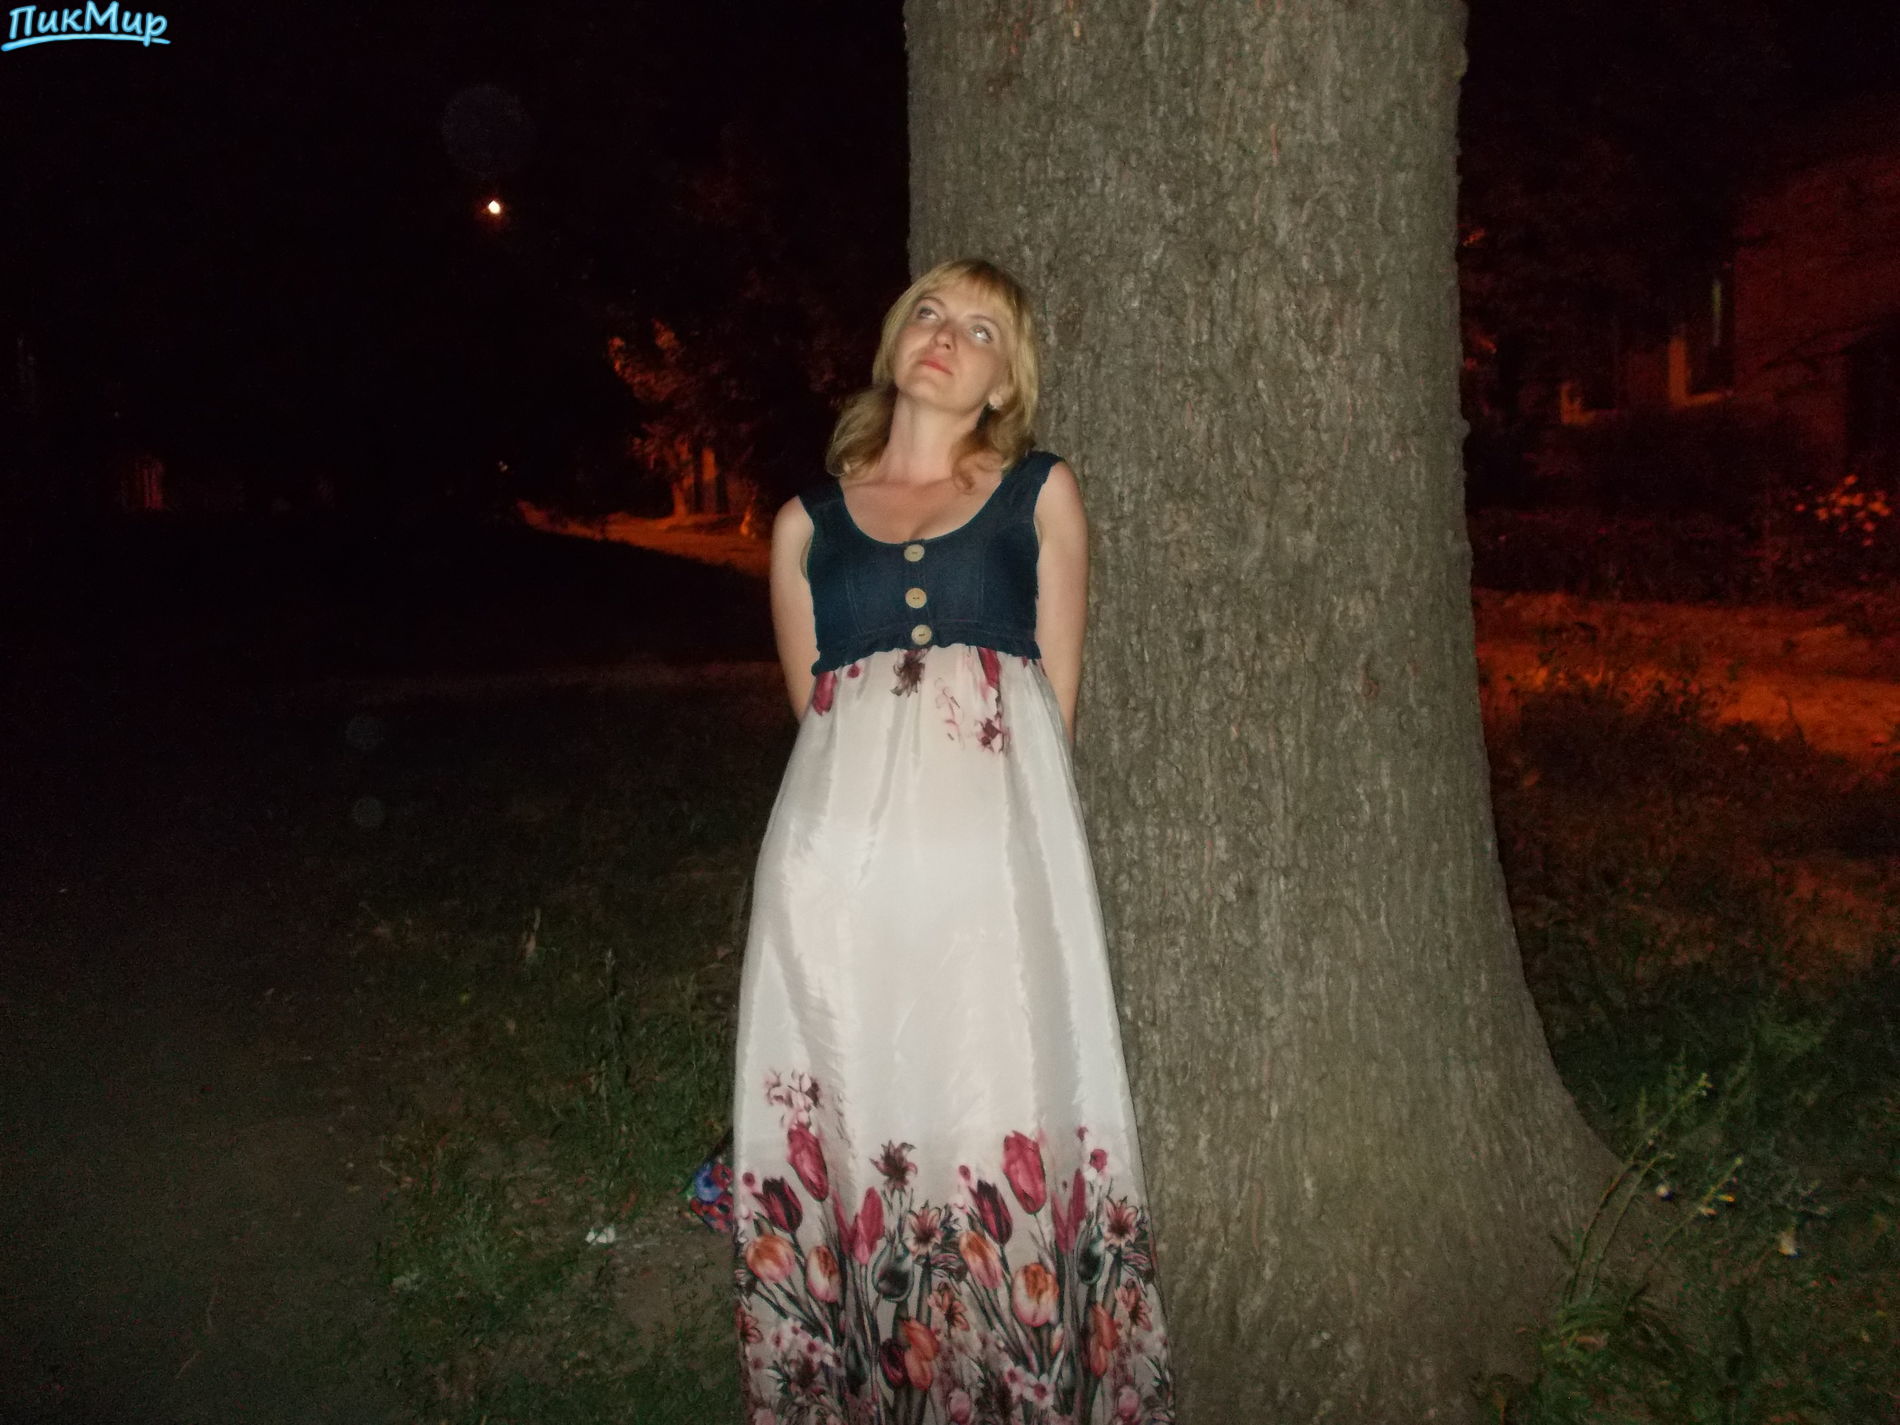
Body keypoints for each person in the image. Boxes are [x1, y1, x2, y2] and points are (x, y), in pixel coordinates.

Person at [731, 258, 1172, 1424]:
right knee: (857, 1094)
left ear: (1003, 383)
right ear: (894, 342)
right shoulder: (804, 525)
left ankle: (1010, 1376)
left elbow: (1053, 706)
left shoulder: (1039, 495)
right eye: (929, 312)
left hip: (992, 867)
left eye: (981, 330)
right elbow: (819, 717)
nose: (945, 334)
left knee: (991, 1086)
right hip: (835, 875)